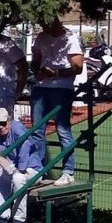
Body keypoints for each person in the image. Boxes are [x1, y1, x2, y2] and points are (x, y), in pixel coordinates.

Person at [30, 18, 83, 186]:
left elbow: (78, 67)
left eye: (48, 24)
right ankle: (38, 169)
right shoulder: (41, 37)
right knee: (37, 130)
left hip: (61, 88)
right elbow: (35, 61)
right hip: (41, 87)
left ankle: (68, 171)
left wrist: (55, 73)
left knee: (62, 129)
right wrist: (38, 70)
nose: (46, 27)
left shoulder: (70, 38)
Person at [0, 109, 44, 223]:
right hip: (10, 169)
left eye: (3, 123)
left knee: (18, 178)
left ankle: (19, 220)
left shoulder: (17, 128)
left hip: (30, 169)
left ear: (9, 120)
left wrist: (21, 169)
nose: (0, 127)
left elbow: (25, 146)